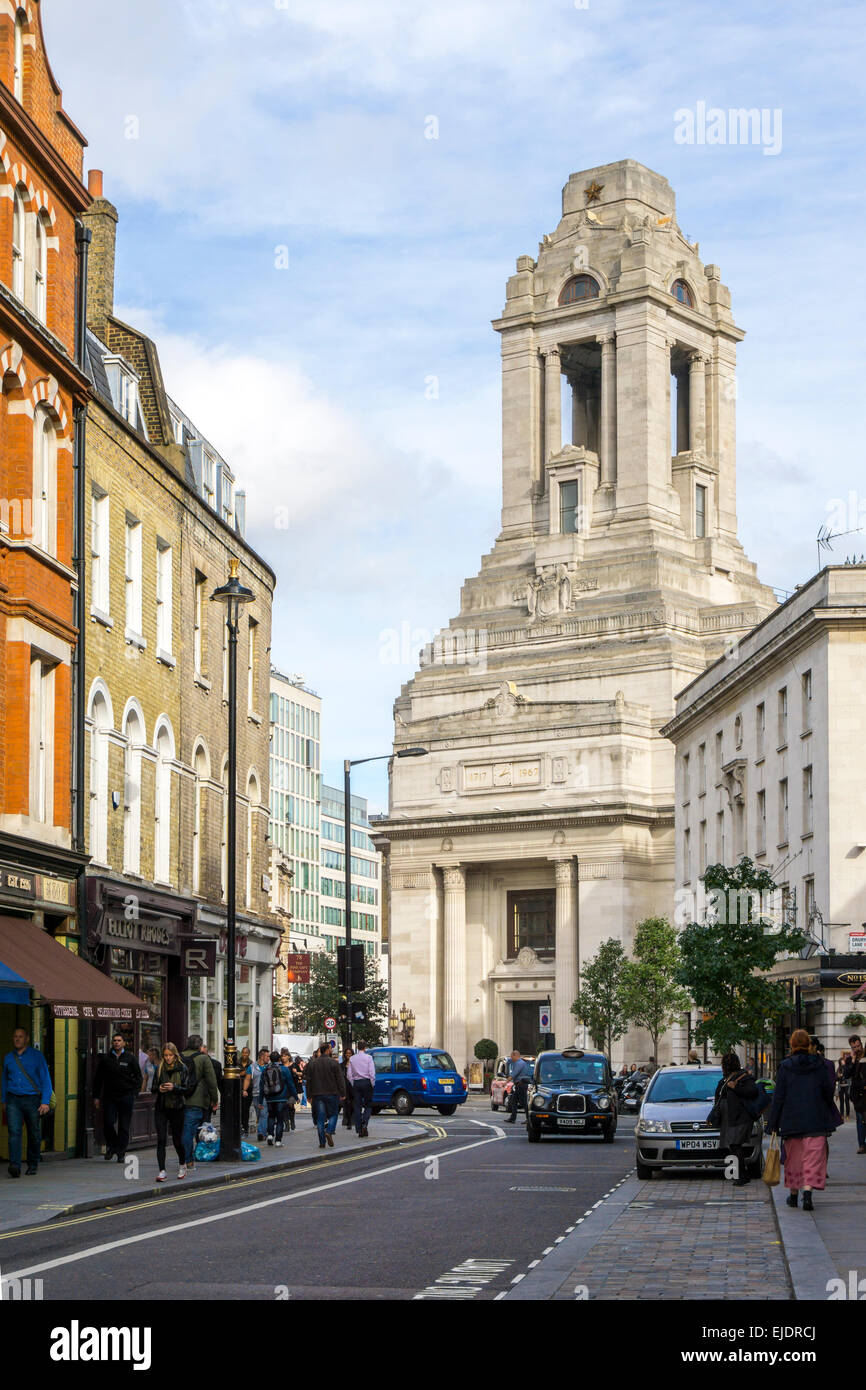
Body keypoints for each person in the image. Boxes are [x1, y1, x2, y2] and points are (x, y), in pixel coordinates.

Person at [768, 1027, 838, 1210]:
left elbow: (779, 1097)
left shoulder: (785, 1067)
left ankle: (793, 1196)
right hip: (815, 1120)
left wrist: (773, 1123)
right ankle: (807, 1194)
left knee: (794, 1159)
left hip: (792, 1122)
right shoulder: (820, 1065)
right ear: (808, 1044)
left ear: (792, 1045)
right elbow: (828, 1091)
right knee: (813, 1159)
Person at [2, 1027, 52, 1177]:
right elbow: (4, 1080)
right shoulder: (8, 1058)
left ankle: (32, 1163)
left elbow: (45, 1080)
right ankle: (15, 1165)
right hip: (13, 1099)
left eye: (20, 1037)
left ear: (27, 1039)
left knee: (34, 1133)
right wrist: (4, 1100)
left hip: (32, 1099)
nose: (17, 1039)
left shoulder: (37, 1057)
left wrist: (45, 1102)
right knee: (14, 1132)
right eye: (15, 1036)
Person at [93, 1032, 142, 1164]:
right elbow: (98, 1079)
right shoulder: (106, 1059)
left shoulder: (130, 1058)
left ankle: (121, 1152)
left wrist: (135, 1093)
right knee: (108, 1123)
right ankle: (112, 1145)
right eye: (114, 1040)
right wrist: (96, 1096)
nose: (116, 1043)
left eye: (119, 1040)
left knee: (124, 1126)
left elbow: (138, 1077)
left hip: (126, 1096)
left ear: (124, 1043)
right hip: (110, 1096)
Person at [713, 1052, 759, 1186]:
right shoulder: (725, 1079)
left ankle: (742, 1175)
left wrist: (736, 1087)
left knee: (735, 1144)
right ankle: (738, 1173)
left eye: (724, 1065)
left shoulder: (743, 1077)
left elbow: (752, 1092)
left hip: (740, 1117)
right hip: (729, 1118)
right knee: (733, 1145)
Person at [180, 1034, 219, 1171]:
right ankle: (188, 1161)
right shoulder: (203, 1058)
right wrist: (215, 1100)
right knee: (189, 1132)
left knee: (181, 1131)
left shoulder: (178, 1056)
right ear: (200, 1046)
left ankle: (184, 1159)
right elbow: (212, 1081)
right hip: (196, 1101)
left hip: (177, 1099)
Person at [152, 1043, 188, 1181]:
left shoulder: (182, 1068)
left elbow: (188, 1089)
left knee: (177, 1140)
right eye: (165, 1055)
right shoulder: (160, 1069)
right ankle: (162, 1171)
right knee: (161, 1139)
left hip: (177, 1108)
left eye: (170, 1055)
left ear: (175, 1055)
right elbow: (153, 1087)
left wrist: (174, 1087)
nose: (168, 1058)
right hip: (162, 1107)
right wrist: (159, 1089)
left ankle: (182, 1164)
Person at [305, 1042, 345, 1149]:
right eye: (330, 1049)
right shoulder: (334, 1063)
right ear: (327, 1050)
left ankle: (322, 1142)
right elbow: (340, 1079)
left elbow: (308, 1080)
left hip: (317, 1094)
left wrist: (308, 1095)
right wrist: (343, 1093)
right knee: (334, 1114)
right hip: (332, 1093)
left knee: (320, 1118)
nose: (332, 1050)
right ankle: (329, 1131)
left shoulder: (313, 1063)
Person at [259, 1051, 298, 1146]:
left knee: (271, 1116)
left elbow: (261, 1086)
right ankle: (278, 1141)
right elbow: (290, 1084)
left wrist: (260, 1100)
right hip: (281, 1097)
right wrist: (295, 1096)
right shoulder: (284, 1069)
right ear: (279, 1059)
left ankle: (270, 1135)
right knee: (280, 1119)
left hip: (269, 1098)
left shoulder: (265, 1069)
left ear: (270, 1059)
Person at [348, 1041, 376, 1138]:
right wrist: (372, 1084)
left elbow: (349, 1075)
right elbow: (372, 1073)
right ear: (365, 1048)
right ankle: (364, 1124)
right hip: (367, 1082)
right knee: (368, 1105)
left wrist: (353, 1083)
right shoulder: (369, 1058)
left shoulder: (352, 1058)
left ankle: (359, 1128)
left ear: (357, 1047)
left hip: (356, 1083)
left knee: (357, 1107)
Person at [846, 1035, 866, 1154]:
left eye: (858, 1046)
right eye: (854, 1047)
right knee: (860, 1118)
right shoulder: (851, 1060)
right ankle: (862, 1145)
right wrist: (853, 1061)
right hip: (857, 1094)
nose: (857, 1049)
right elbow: (847, 1074)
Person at [506, 1049, 530, 1124]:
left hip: (521, 1084)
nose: (511, 1058)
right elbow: (508, 1061)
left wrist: (505, 1082)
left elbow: (514, 1074)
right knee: (514, 1101)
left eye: (512, 1056)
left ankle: (528, 1118)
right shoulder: (518, 1062)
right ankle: (513, 1118)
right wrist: (508, 1061)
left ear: (515, 1055)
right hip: (519, 1084)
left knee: (523, 1102)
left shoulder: (519, 1063)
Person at [252, 1047, 270, 1142]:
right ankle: (263, 1131)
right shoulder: (252, 1067)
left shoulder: (269, 1067)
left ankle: (261, 1133)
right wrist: (244, 1090)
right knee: (259, 1114)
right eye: (267, 1056)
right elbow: (247, 1078)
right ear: (262, 1057)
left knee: (263, 1114)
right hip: (255, 1094)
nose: (268, 1058)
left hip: (265, 1094)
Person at [239, 1046, 253, 1136]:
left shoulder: (251, 1064)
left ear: (249, 1054)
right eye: (243, 1053)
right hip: (238, 1088)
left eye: (246, 1053)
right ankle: (240, 1127)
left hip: (248, 1090)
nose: (245, 1054)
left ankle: (245, 1127)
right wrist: (242, 1073)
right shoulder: (237, 1062)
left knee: (245, 1109)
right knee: (239, 1109)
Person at [340, 1048, 355, 1129]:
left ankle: (352, 1120)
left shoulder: (355, 1064)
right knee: (347, 1104)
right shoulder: (341, 1065)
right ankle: (348, 1121)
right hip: (345, 1086)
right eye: (347, 1053)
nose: (348, 1055)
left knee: (353, 1104)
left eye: (350, 1053)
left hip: (352, 1086)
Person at [837, 1051, 852, 1120]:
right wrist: (838, 1076)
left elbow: (848, 1074)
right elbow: (836, 1078)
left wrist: (843, 1072)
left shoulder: (847, 1067)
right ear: (840, 1062)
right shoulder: (838, 1069)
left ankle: (848, 1115)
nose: (843, 1061)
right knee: (841, 1102)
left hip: (846, 1086)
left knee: (846, 1101)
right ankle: (842, 1115)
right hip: (841, 1086)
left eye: (843, 1060)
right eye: (841, 1061)